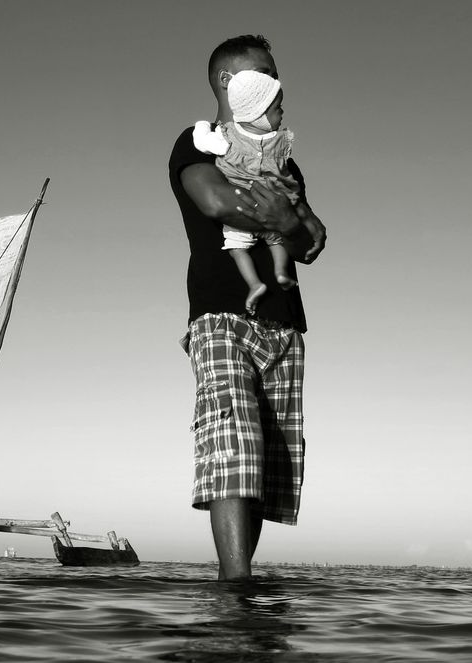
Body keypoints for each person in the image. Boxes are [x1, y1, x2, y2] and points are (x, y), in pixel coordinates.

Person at [168, 34, 327, 581]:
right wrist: (285, 221)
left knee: (264, 466)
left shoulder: (283, 156)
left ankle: (242, 589)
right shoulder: (198, 142)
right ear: (227, 82)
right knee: (231, 444)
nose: (278, 85)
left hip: (284, 323)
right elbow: (214, 199)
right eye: (265, 73)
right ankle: (235, 593)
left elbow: (314, 241)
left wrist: (295, 224)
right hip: (219, 314)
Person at [192, 69, 299, 314]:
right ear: (257, 112)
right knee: (277, 241)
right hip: (273, 206)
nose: (282, 112)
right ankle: (280, 271)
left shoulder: (227, 137)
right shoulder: (280, 145)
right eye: (276, 108)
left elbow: (204, 142)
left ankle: (254, 283)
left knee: (237, 248)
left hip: (244, 203)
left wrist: (201, 127)